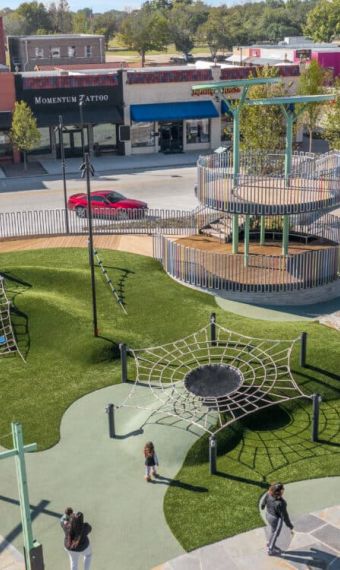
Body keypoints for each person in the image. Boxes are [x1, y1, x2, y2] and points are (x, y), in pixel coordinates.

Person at [260, 482, 294, 556]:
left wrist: (262, 506)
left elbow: (263, 503)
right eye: (282, 489)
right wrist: (290, 525)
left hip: (268, 515)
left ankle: (270, 543)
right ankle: (270, 549)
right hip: (276, 519)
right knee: (275, 533)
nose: (283, 490)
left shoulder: (268, 494)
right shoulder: (281, 503)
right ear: (279, 492)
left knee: (273, 531)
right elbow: (285, 516)